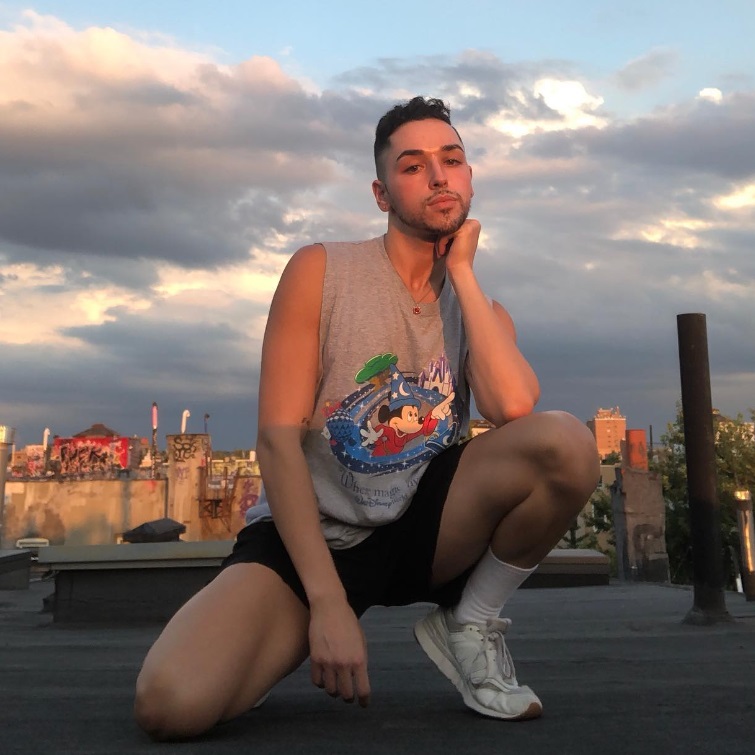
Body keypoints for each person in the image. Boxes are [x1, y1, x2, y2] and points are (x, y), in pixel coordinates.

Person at [134, 96, 599, 739]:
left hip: (426, 530)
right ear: (381, 194)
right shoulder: (322, 271)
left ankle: (469, 621)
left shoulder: (481, 311)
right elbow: (276, 440)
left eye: (452, 160)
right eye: (413, 166)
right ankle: (275, 642)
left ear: (469, 179)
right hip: (316, 536)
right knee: (171, 706)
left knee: (568, 443)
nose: (437, 176)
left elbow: (514, 408)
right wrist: (327, 602)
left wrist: (462, 273)